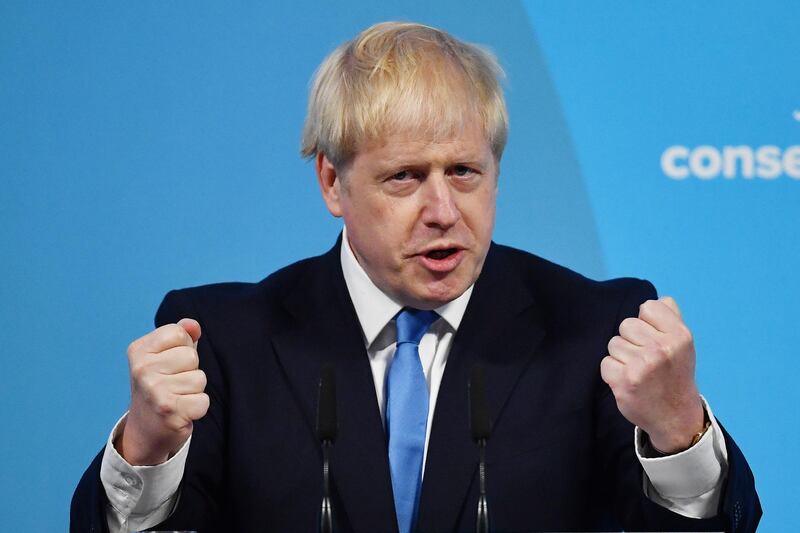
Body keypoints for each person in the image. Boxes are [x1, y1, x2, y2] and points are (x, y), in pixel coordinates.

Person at [71, 21, 761, 532]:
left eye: (464, 171)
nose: (442, 210)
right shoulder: (221, 341)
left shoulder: (596, 330)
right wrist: (146, 450)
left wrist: (678, 432)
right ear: (332, 182)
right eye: (404, 177)